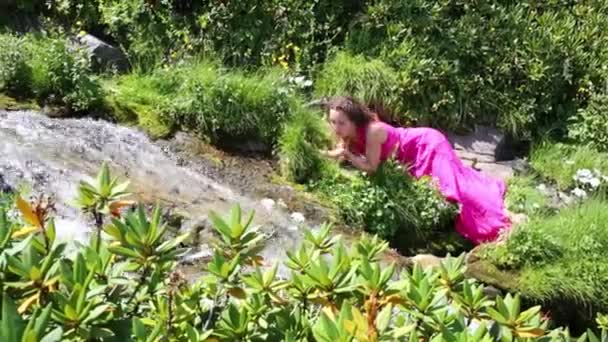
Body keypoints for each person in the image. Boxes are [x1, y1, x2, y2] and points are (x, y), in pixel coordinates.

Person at [320, 96, 512, 244]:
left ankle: (501, 221)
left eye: (341, 123)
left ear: (354, 121)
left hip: (428, 146)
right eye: (333, 122)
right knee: (453, 182)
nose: (336, 127)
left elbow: (371, 167)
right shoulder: (350, 131)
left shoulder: (372, 131)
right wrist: (324, 154)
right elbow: (341, 149)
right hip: (411, 158)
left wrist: (349, 156)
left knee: (453, 189)